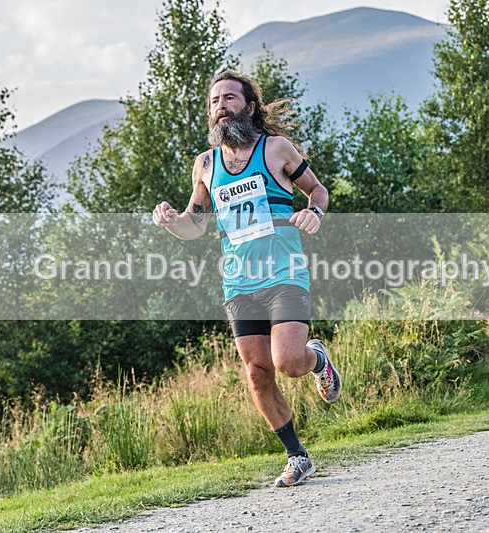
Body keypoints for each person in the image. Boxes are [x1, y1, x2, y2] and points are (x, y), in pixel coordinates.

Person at [152, 71, 342, 487]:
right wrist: (170, 221)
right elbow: (194, 226)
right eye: (214, 100)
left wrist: (314, 212)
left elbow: (318, 191)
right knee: (257, 372)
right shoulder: (206, 164)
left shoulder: (276, 149)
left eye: (229, 98)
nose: (221, 105)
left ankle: (316, 358)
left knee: (288, 362)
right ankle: (297, 456)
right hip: (239, 283)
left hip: (284, 273)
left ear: (250, 106)